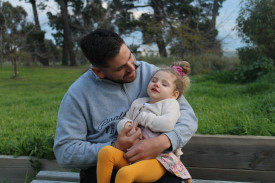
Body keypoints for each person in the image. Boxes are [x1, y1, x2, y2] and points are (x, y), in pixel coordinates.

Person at [53, 29, 198, 183]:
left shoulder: (152, 73)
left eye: (130, 56)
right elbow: (65, 151)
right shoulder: (78, 95)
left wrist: (161, 142)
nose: (132, 67)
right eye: (120, 68)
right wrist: (115, 146)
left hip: (154, 161)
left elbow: (188, 118)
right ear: (98, 72)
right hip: (106, 166)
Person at [97, 61, 192, 183]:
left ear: (174, 94)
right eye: (154, 80)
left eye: (164, 84)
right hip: (132, 155)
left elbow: (168, 124)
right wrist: (126, 126)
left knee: (125, 174)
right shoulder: (139, 102)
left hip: (157, 160)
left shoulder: (170, 104)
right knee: (106, 152)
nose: (157, 84)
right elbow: (126, 119)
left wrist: (145, 118)